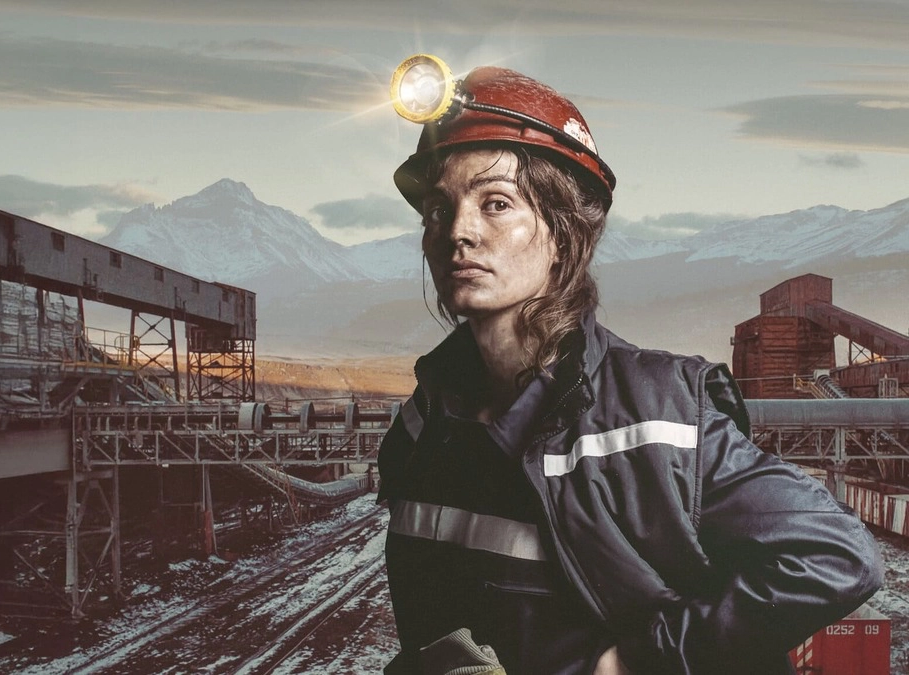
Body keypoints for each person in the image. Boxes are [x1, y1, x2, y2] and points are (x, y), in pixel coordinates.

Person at [377, 56, 883, 675]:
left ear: (564, 233)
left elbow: (837, 555)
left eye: (497, 203)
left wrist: (635, 661)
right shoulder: (423, 426)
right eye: (437, 209)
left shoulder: (660, 415)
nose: (458, 231)